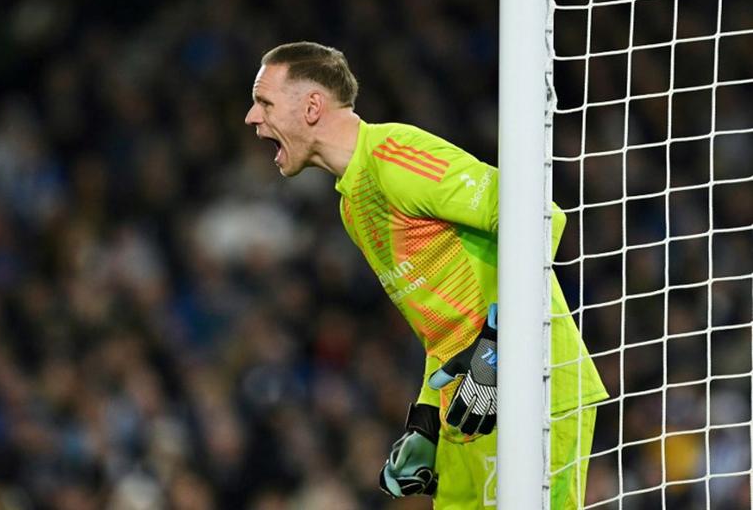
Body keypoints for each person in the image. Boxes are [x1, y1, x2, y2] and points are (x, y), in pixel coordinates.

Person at [244, 41, 608, 509]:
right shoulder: (353, 206)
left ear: (312, 106)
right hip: (469, 408)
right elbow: (441, 326)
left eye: (265, 102)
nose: (252, 118)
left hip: (535, 386)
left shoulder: (395, 157)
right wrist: (425, 419)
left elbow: (540, 216)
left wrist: (496, 352)